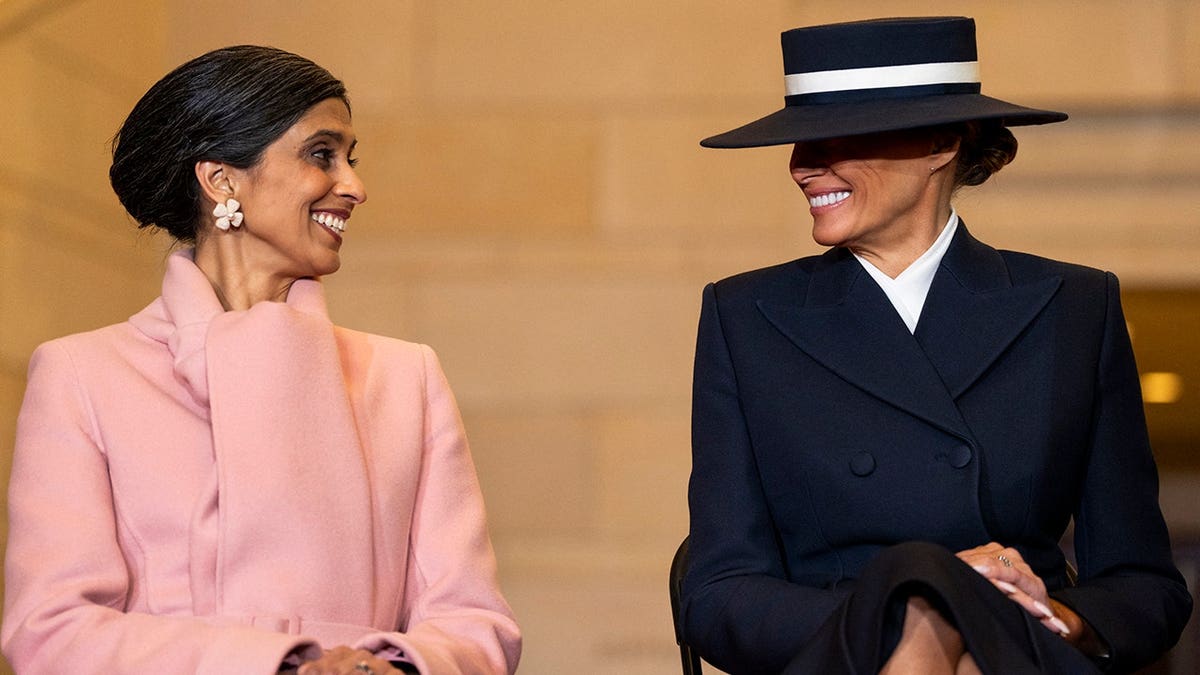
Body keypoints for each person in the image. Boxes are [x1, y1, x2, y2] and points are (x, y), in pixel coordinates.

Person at [680, 17, 1191, 675]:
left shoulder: (1075, 308)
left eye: (838, 135)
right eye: (798, 141)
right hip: (840, 652)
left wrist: (1049, 613)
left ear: (943, 142)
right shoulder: (744, 317)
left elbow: (1146, 589)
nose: (803, 166)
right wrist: (911, 604)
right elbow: (718, 596)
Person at [2, 46, 520, 675]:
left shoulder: (405, 376)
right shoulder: (83, 374)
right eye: (321, 154)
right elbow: (50, 633)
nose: (355, 186)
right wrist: (274, 664)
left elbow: (475, 621)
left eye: (350, 159)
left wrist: (393, 667)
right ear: (222, 180)